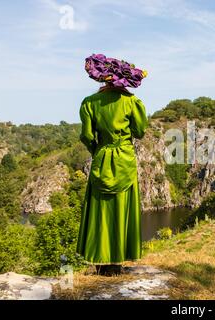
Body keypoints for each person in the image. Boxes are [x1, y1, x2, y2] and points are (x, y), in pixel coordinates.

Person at [76, 54, 149, 276]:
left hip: (102, 157)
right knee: (121, 209)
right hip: (124, 159)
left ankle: (100, 262)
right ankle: (117, 261)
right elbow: (140, 132)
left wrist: (98, 150)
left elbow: (87, 136)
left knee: (100, 210)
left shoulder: (89, 103)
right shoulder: (132, 102)